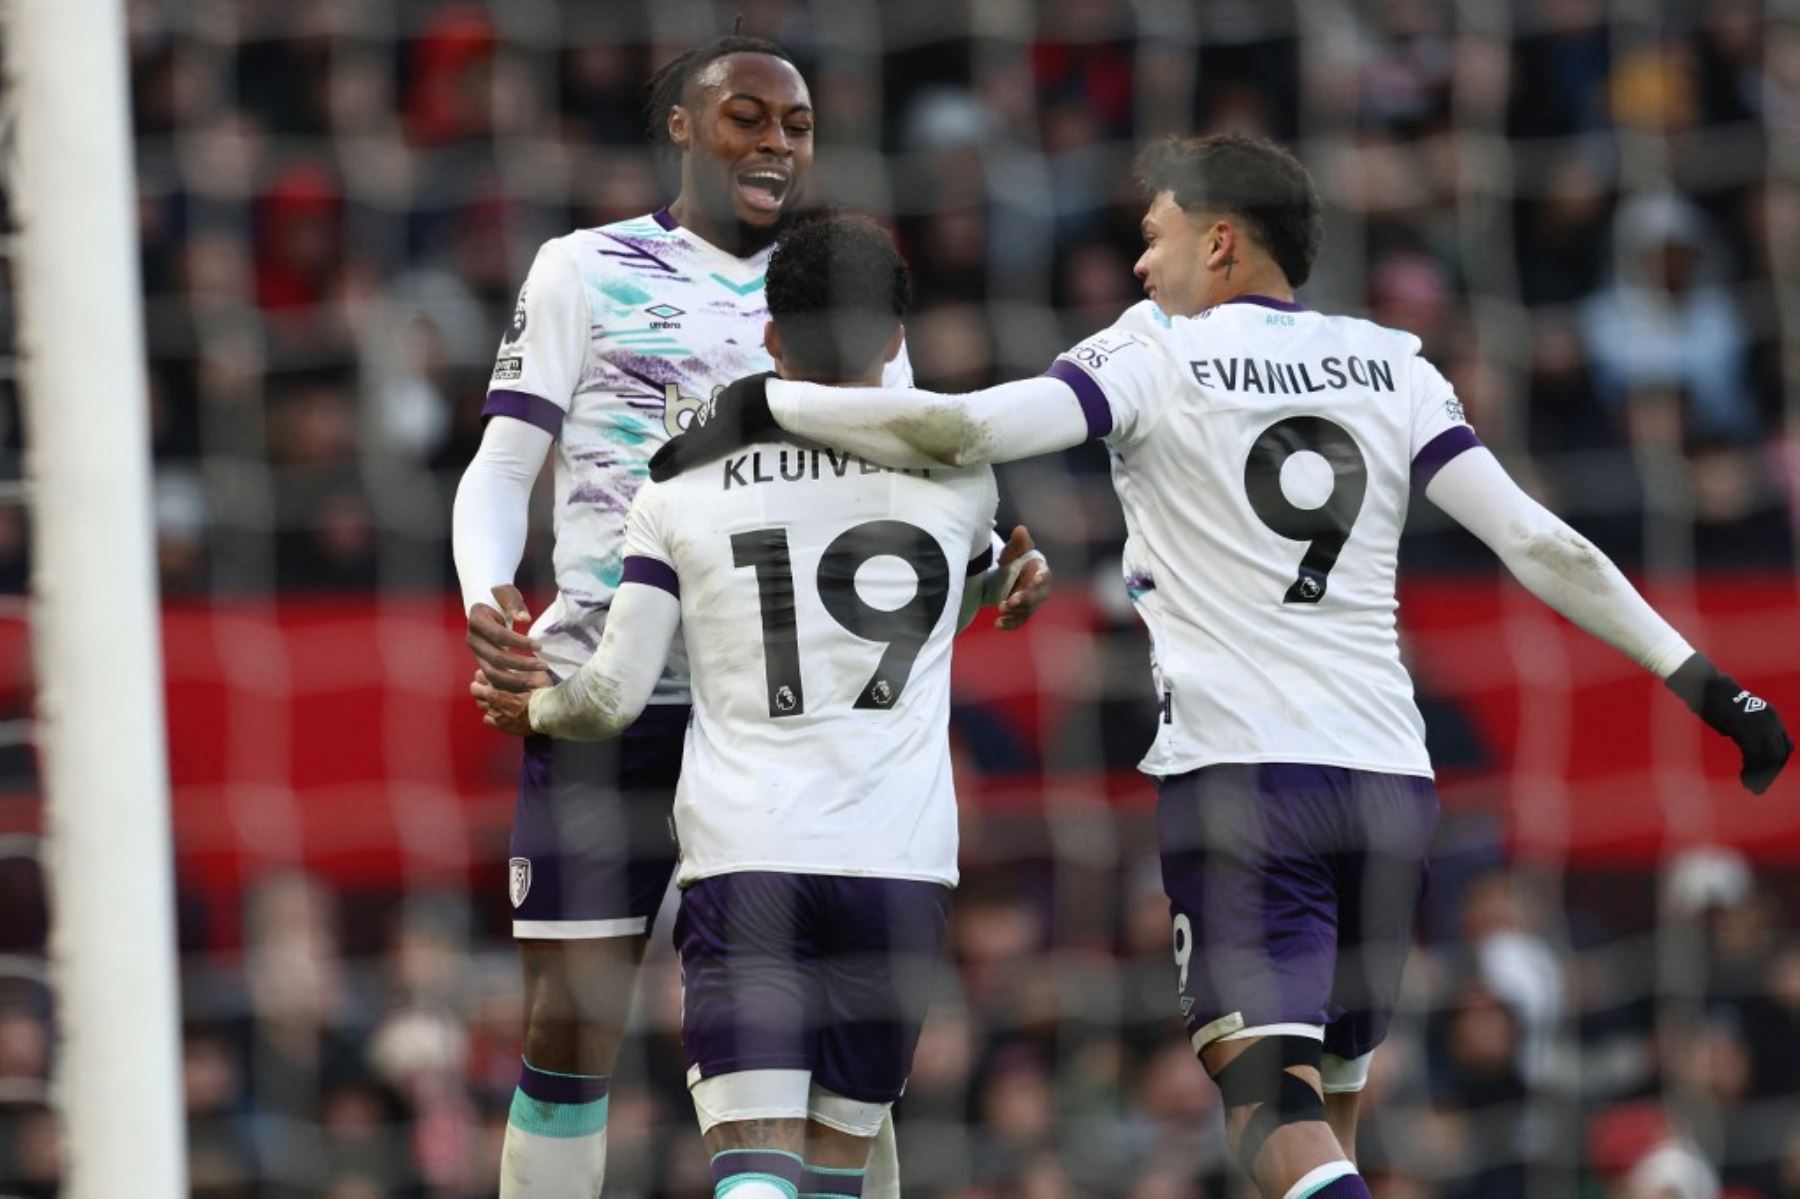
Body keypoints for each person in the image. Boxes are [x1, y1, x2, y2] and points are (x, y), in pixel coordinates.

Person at [648, 133, 1794, 1199]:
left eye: (1154, 234)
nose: (1140, 263)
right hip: (1391, 788)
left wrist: (763, 403)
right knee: (1324, 1114)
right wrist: (1705, 682)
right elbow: (1543, 541)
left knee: (1260, 1112)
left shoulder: (1151, 353)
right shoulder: (1392, 364)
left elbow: (965, 432)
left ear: (1221, 241)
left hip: (1246, 783)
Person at [450, 36, 1049, 1198]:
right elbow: (501, 461)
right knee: (572, 1036)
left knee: (838, 1073)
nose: (778, 141)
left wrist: (985, 582)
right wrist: (489, 590)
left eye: (798, 124)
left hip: (787, 718)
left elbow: (893, 521)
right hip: (601, 693)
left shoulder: (842, 287)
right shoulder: (585, 268)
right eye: (749, 117)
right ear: (682, 124)